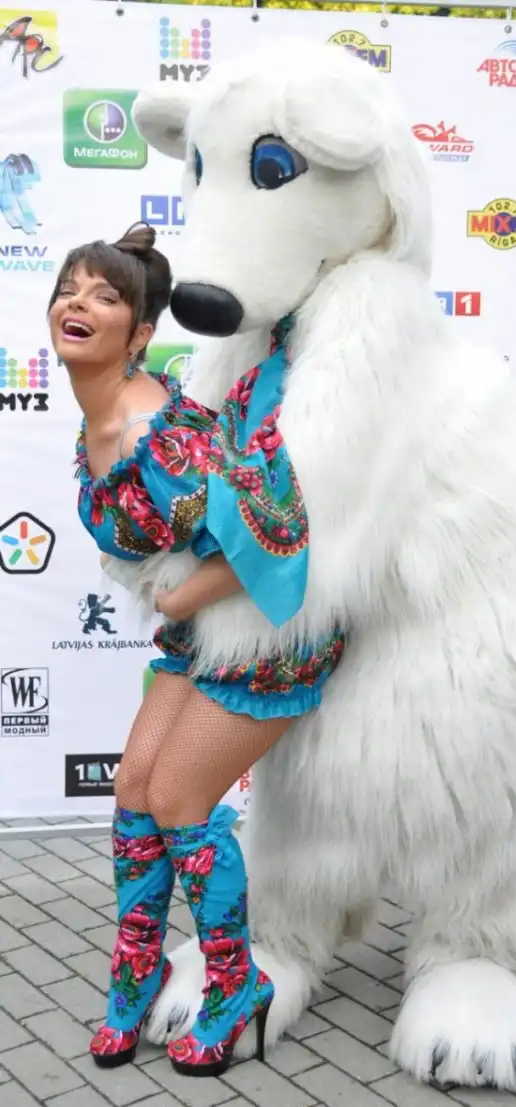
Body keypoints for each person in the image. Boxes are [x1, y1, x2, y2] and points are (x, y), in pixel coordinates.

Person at [48, 222, 344, 1077]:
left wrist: (180, 594)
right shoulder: (98, 419)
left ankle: (235, 983)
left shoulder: (162, 434)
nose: (78, 303)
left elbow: (280, 534)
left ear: (140, 333)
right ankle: (136, 972)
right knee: (133, 789)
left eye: (105, 295)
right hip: (201, 633)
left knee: (178, 795)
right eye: (69, 288)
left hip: (270, 634)